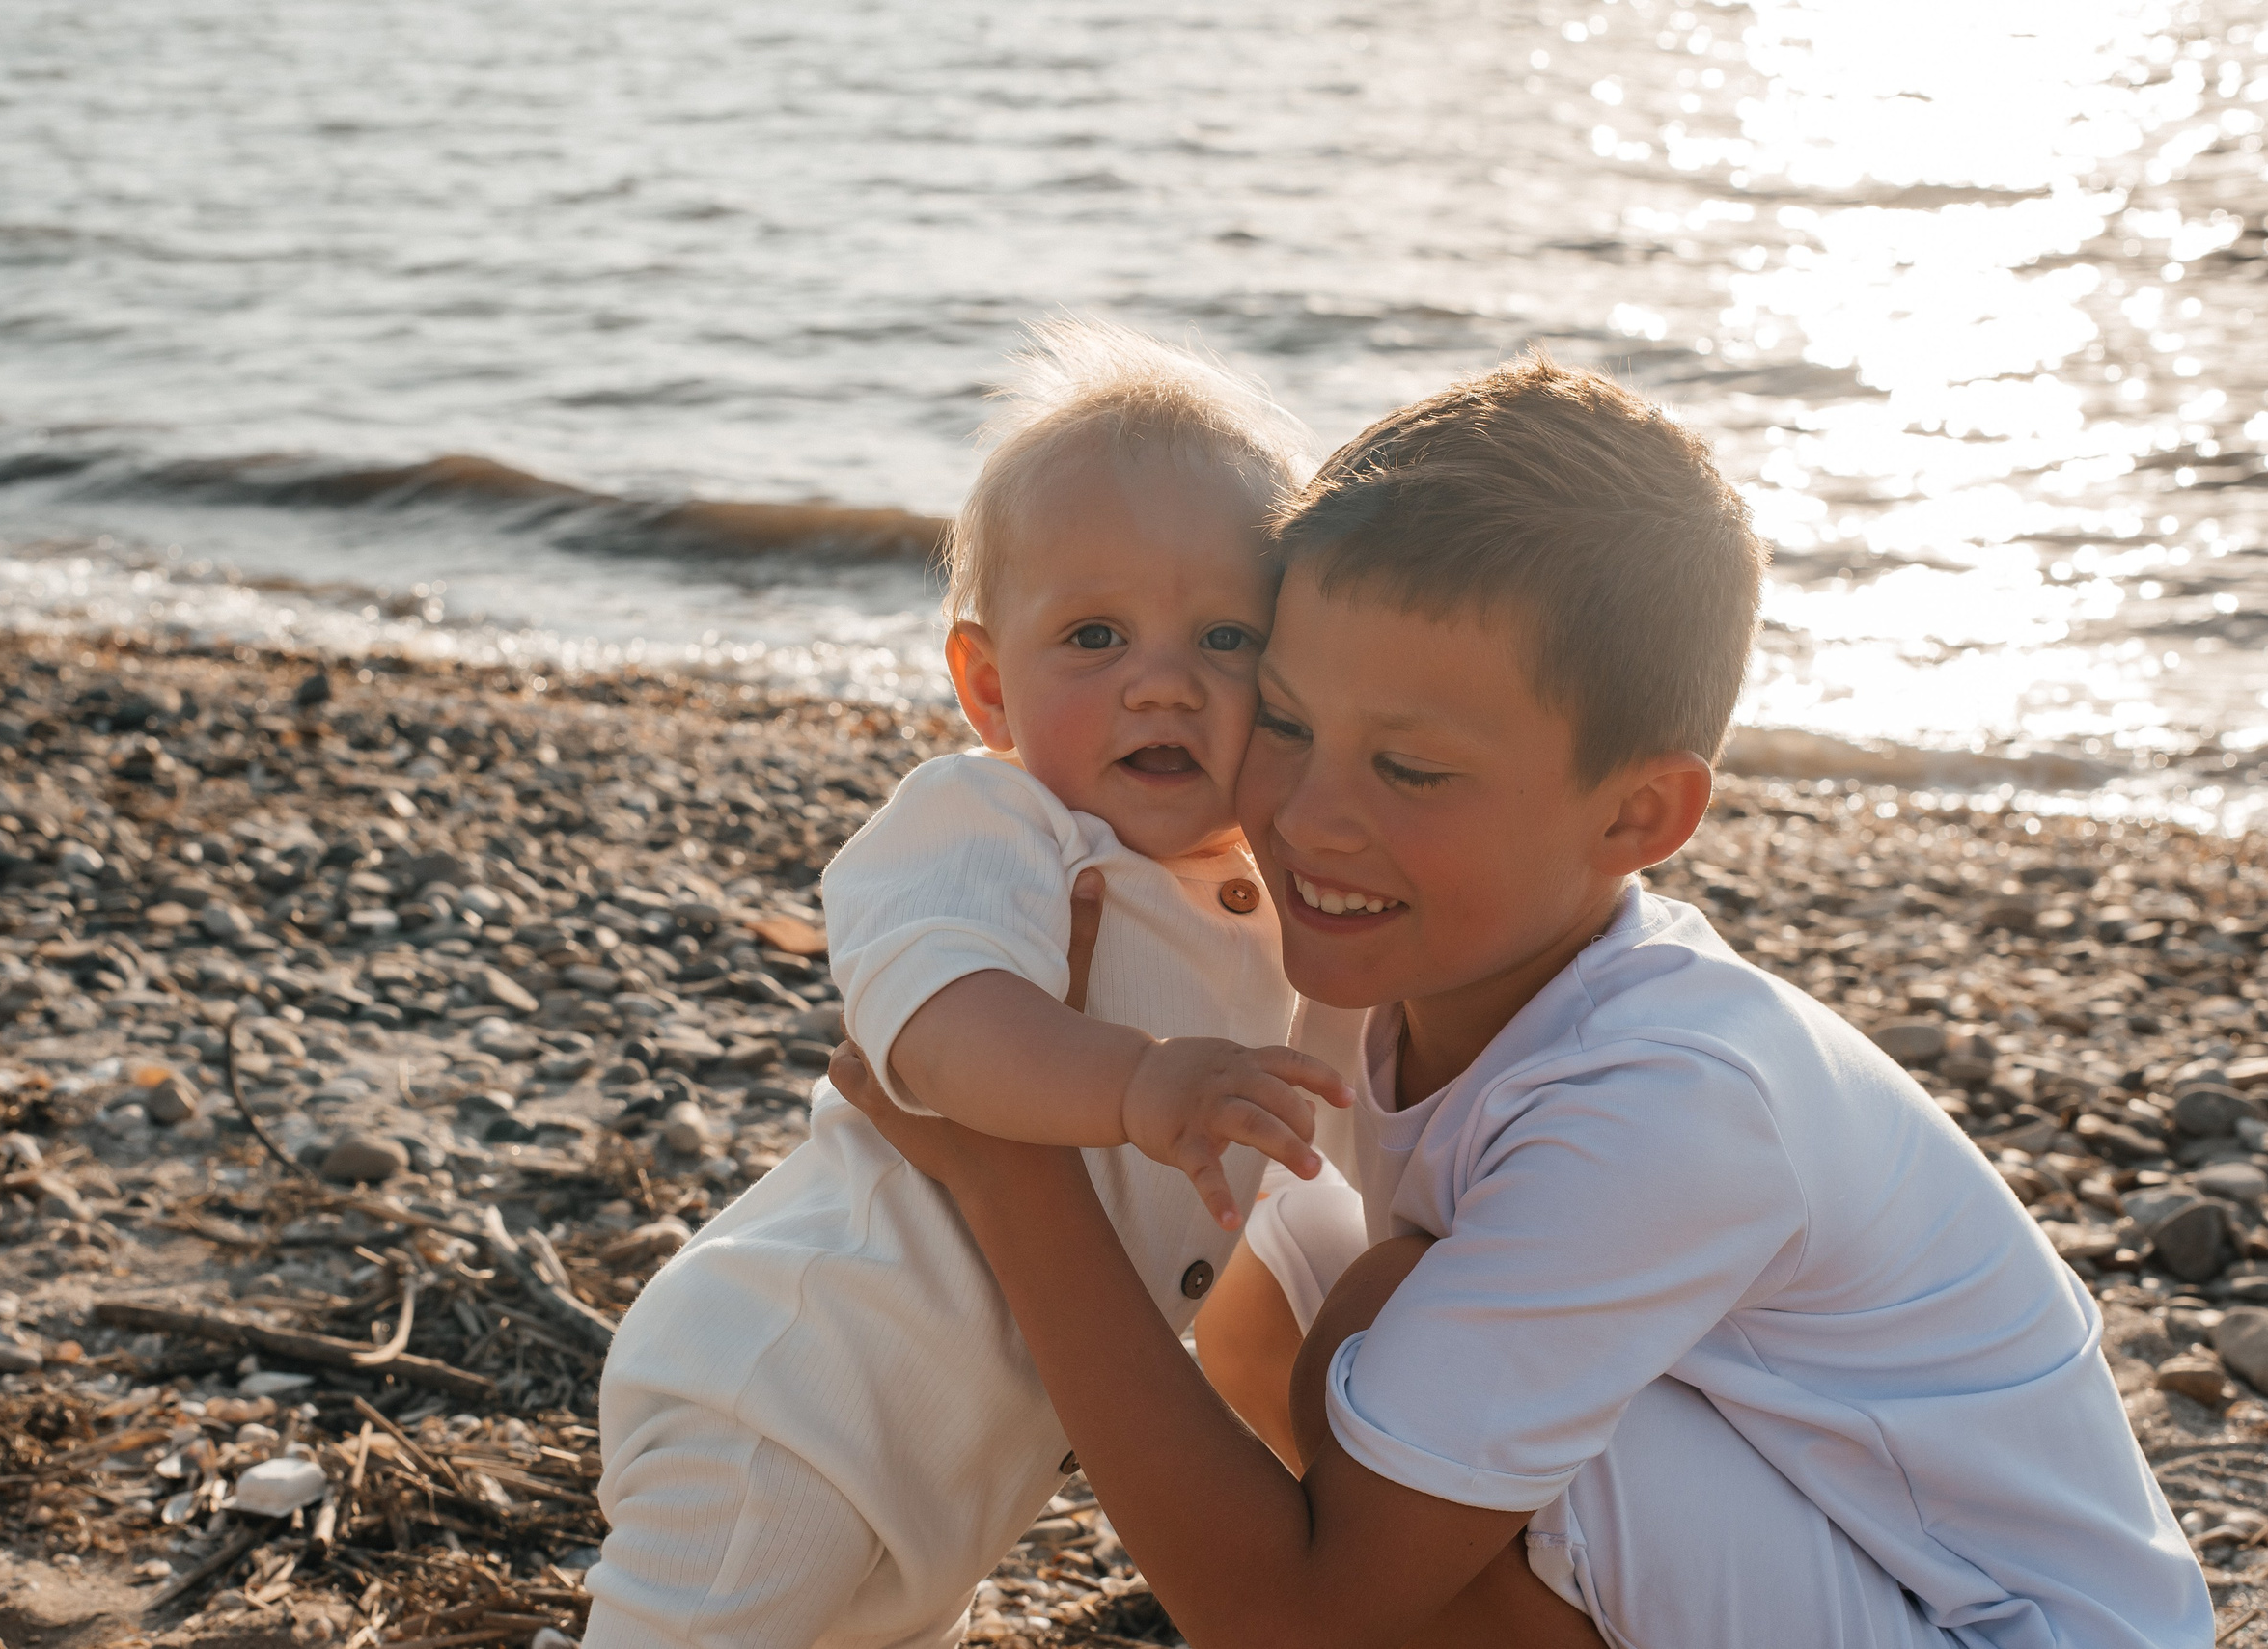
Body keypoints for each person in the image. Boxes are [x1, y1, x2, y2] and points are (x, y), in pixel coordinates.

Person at [829, 354, 2211, 1647]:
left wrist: (1012, 1162)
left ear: (1639, 812)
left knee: (1378, 1338)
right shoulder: (1436, 961)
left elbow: (1291, 1617)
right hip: (1849, 1551)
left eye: (1412, 773)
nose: (1310, 819)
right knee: (1286, 1267)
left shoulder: (1666, 1101)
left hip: (2002, 1625)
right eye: (1291, 722)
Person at [585, 320, 1351, 1649]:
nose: (1162, 681)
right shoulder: (993, 827)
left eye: (1225, 636)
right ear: (989, 686)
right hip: (793, 1392)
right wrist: (1137, 1082)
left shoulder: (1268, 891)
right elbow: (937, 1035)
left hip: (962, 1461)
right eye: (1097, 635)